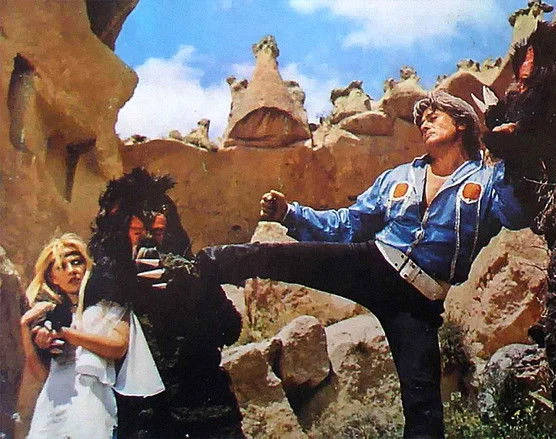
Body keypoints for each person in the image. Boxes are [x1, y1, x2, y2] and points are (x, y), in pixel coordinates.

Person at [187, 90, 528, 438]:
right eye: (421, 120)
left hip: (419, 301)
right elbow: (349, 224)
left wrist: (510, 156)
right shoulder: (398, 178)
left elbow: (515, 214)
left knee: (423, 405)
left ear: (462, 124)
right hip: (374, 263)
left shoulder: (487, 181)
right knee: (278, 257)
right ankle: (198, 267)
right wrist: (290, 214)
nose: (424, 124)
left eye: (434, 117)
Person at [87, 167, 244, 438]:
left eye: (158, 232)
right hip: (143, 420)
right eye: (137, 232)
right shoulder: (106, 280)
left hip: (207, 414)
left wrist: (189, 284)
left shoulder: (191, 273)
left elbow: (230, 329)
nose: (148, 241)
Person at [19, 233, 152, 438]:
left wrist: (67, 334)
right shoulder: (51, 314)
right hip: (52, 405)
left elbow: (118, 346)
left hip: (92, 401)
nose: (72, 270)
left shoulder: (110, 304)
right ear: (53, 277)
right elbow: (41, 375)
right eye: (62, 267)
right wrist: (26, 329)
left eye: (76, 262)